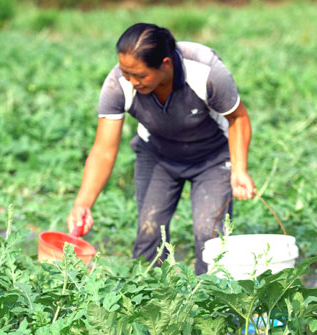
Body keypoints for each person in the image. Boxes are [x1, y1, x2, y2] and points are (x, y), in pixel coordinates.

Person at [67, 23, 256, 274]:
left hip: (212, 158)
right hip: (157, 156)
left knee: (208, 234)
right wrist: (83, 202)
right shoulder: (118, 83)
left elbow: (238, 119)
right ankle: (152, 302)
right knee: (150, 233)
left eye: (140, 76)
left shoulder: (206, 71)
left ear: (165, 64)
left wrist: (239, 170)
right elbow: (103, 149)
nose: (132, 81)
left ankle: (210, 305)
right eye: (126, 72)